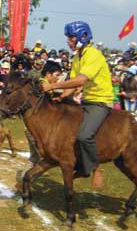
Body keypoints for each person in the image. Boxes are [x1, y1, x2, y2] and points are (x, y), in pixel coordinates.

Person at [42, 21, 113, 186]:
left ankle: (95, 168)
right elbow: (74, 84)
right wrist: (60, 98)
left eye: (71, 37)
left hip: (100, 102)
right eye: (68, 37)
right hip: (86, 101)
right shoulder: (77, 57)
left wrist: (53, 85)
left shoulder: (93, 55)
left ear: (83, 36)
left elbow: (81, 79)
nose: (68, 41)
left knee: (84, 135)